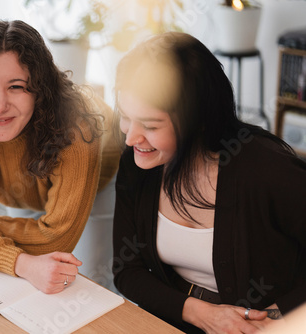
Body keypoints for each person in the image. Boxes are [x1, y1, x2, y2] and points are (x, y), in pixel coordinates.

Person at [112, 32, 306, 334]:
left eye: (150, 125)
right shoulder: (138, 164)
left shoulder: (267, 170)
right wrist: (202, 314)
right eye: (125, 116)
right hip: (176, 320)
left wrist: (274, 318)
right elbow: (127, 271)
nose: (130, 137)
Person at [0, 20, 121, 294]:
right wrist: (18, 260)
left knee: (84, 281)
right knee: (22, 278)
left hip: (100, 180)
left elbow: (56, 241)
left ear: (40, 90)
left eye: (16, 86)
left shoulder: (76, 127)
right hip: (24, 189)